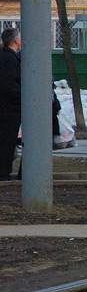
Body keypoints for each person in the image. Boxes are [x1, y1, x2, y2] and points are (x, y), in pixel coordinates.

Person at [0, 28, 22, 181]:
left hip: (7, 107)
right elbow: (9, 84)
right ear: (15, 41)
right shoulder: (9, 58)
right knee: (7, 140)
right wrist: (21, 97)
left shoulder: (7, 57)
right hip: (9, 109)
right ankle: (3, 172)